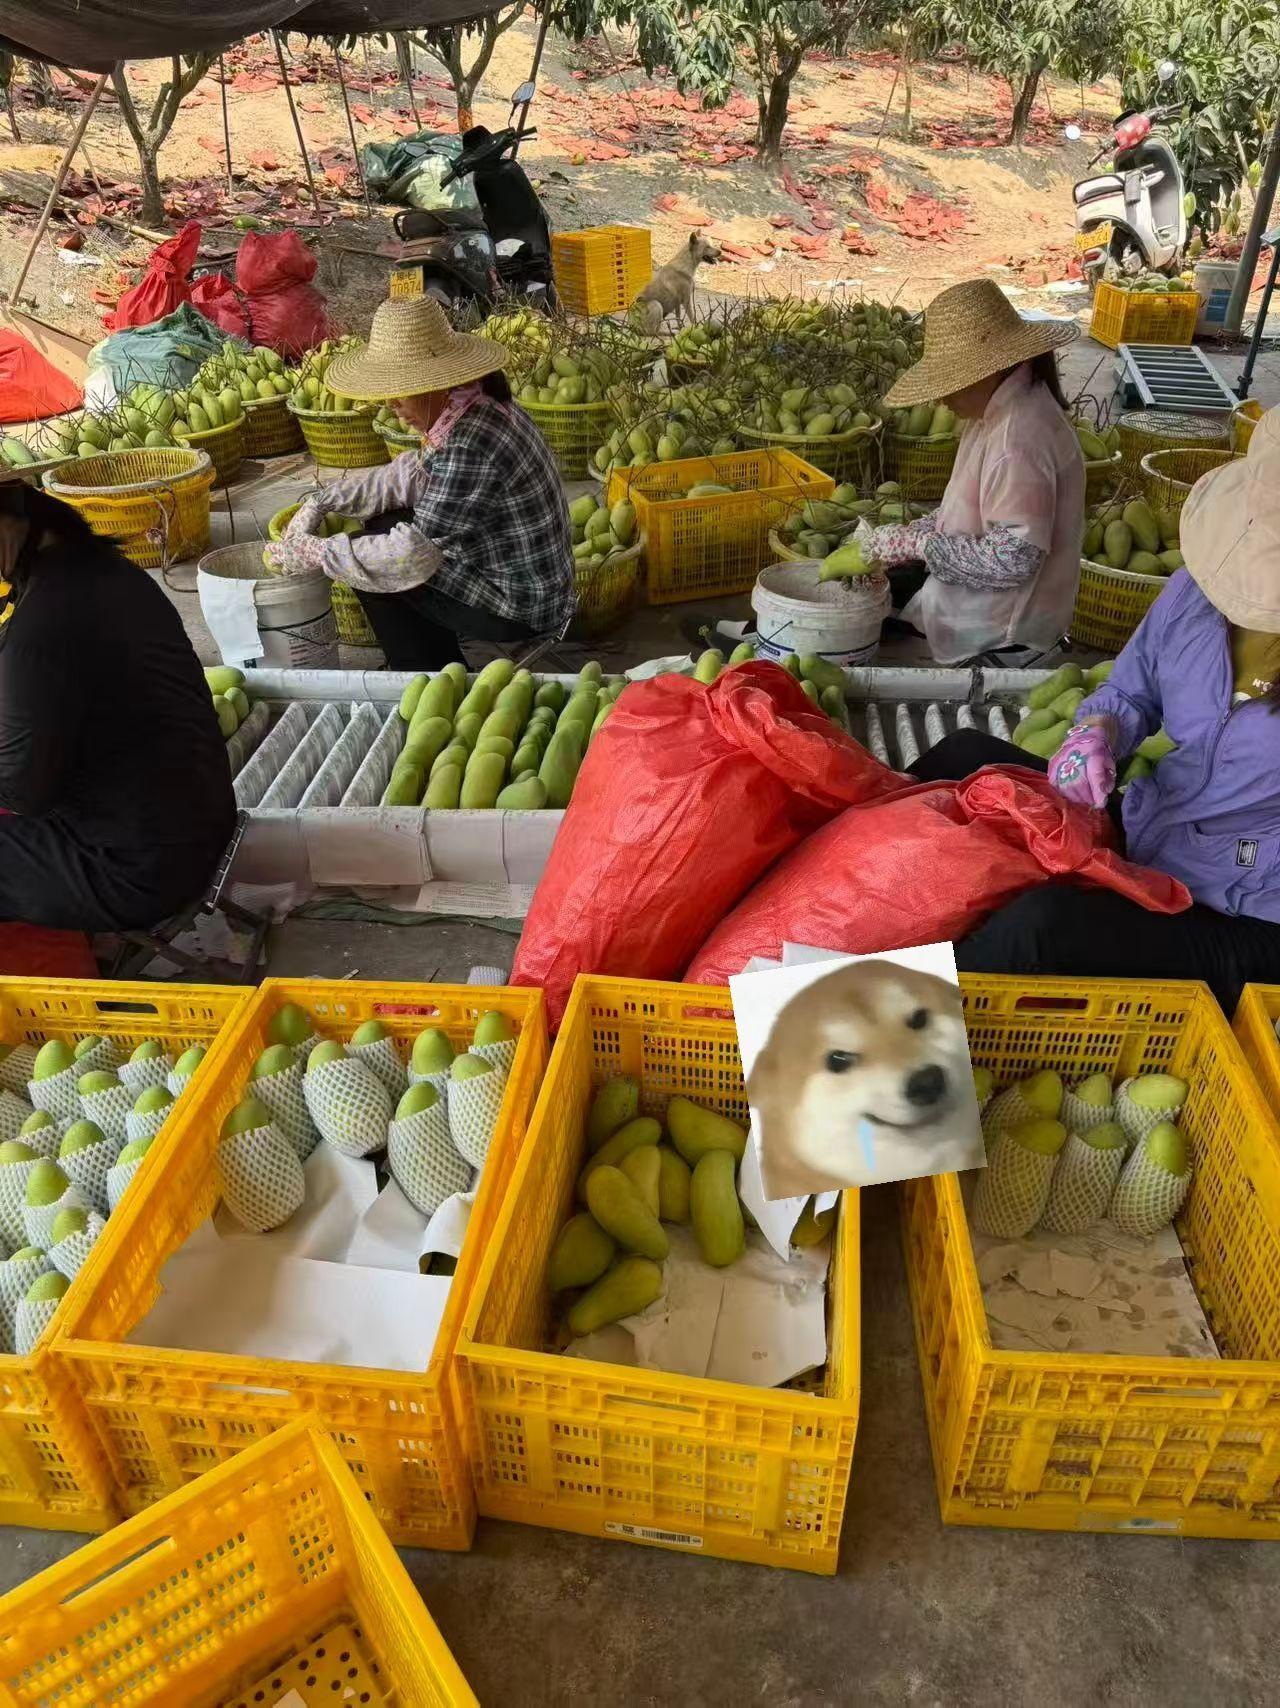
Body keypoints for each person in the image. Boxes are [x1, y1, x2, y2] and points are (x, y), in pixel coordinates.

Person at [910, 406, 1280, 1014]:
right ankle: (840, 903)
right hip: (1156, 833)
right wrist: (1100, 731)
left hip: (1246, 914)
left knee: (1044, 928)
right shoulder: (1197, 592)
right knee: (965, 757)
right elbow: (1132, 689)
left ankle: (863, 1028)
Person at [266, 296, 574, 669]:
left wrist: (319, 552)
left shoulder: (471, 443)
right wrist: (327, 499)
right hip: (522, 577)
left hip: (521, 604)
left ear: (435, 384)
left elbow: (407, 554)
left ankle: (426, 672)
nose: (391, 405)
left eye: (400, 394)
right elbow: (413, 473)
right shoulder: (472, 403)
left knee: (372, 566)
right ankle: (434, 655)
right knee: (382, 524)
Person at [0, 473, 235, 933]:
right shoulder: (110, 571)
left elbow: (22, 793)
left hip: (136, 871)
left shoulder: (41, 628)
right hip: (205, 824)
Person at [859, 278, 1085, 666]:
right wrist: (919, 532)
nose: (941, 398)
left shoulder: (1018, 440)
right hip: (983, 602)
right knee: (863, 600)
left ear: (984, 372)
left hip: (1005, 631)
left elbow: (1013, 560)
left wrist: (917, 546)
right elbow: (975, 512)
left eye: (948, 383)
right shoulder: (998, 412)